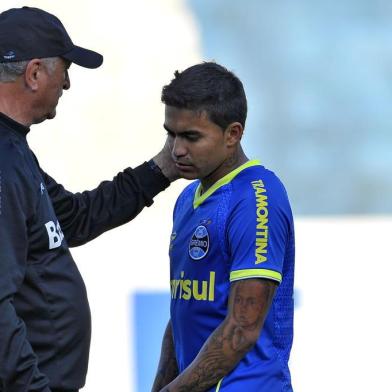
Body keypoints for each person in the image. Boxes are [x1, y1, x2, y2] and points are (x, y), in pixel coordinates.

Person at [0, 6, 177, 392]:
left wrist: (162, 168)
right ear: (33, 74)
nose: (67, 84)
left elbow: (76, 218)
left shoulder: (14, 152)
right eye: (65, 69)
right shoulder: (3, 161)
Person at [152, 62, 295, 392]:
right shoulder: (188, 197)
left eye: (191, 136)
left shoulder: (258, 197)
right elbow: (184, 312)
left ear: (233, 134)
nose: (177, 149)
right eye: (171, 134)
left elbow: (242, 328)